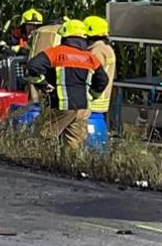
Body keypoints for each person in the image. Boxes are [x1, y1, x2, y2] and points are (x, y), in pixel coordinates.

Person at [26, 20, 107, 150]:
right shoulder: (90, 57)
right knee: (73, 144)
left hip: (62, 105)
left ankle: (43, 165)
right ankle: (71, 167)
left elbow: (33, 66)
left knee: (43, 137)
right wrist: (91, 96)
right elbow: (103, 80)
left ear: (64, 35)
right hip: (83, 108)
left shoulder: (55, 53)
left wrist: (43, 84)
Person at [85, 15, 116, 122]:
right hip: (102, 101)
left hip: (94, 100)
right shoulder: (107, 48)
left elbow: (93, 74)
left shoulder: (96, 51)